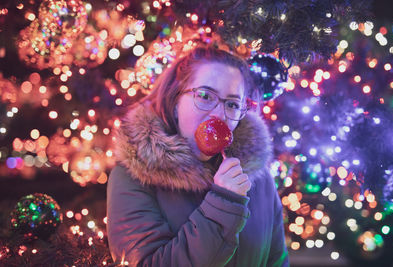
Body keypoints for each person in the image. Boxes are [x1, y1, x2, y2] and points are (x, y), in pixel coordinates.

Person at [107, 46, 289, 266]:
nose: (218, 115)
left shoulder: (258, 180)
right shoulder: (131, 178)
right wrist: (224, 202)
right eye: (204, 96)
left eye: (232, 104)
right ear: (175, 102)